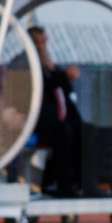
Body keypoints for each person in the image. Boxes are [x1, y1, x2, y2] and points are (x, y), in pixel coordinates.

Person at [30, 25, 82, 198]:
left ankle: (80, 181)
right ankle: (63, 186)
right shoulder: (26, 63)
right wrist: (59, 74)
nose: (41, 47)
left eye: (43, 42)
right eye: (36, 42)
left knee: (82, 130)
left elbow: (63, 88)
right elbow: (44, 87)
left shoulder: (48, 65)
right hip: (36, 122)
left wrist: (56, 71)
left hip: (55, 120)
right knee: (64, 132)